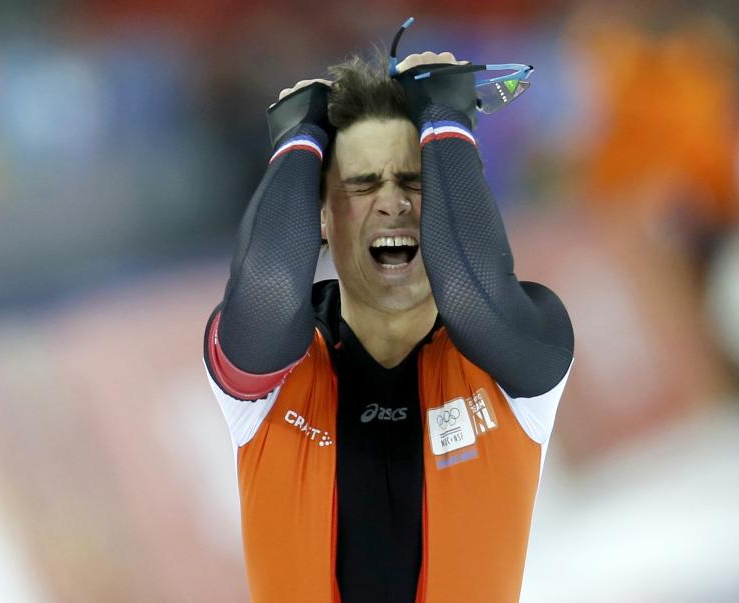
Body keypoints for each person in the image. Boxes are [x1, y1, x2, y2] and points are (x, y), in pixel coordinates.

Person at [203, 49, 574, 603]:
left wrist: (445, 119)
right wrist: (299, 136)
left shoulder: (520, 347)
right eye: (362, 184)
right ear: (320, 218)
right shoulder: (279, 366)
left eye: (414, 180)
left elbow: (473, 293)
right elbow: (270, 288)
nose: (393, 203)